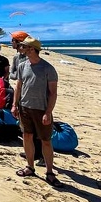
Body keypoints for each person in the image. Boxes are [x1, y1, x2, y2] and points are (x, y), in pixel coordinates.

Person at [11, 36, 63, 188]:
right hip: (25, 108)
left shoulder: (48, 69)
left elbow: (53, 93)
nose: (20, 49)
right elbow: (18, 87)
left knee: (46, 141)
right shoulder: (22, 65)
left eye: (23, 47)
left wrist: (48, 112)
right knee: (27, 136)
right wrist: (15, 105)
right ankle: (30, 167)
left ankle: (49, 172)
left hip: (42, 109)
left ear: (32, 49)